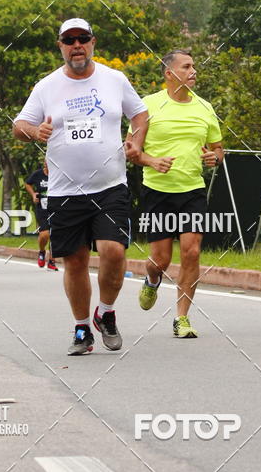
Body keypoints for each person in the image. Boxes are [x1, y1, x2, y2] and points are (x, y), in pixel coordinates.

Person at [13, 18, 148, 356]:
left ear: (92, 42)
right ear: (60, 46)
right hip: (64, 191)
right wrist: (35, 133)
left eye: (82, 39)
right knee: (74, 262)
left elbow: (141, 115)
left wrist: (135, 141)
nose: (76, 45)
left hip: (110, 185)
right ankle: (81, 328)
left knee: (114, 251)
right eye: (68, 40)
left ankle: (106, 311)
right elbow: (19, 125)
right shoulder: (47, 86)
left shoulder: (114, 80)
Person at [131, 50, 223, 338]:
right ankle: (151, 278)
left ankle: (182, 318)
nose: (193, 71)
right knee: (161, 260)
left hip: (192, 190)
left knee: (192, 252)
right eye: (186, 67)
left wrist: (215, 158)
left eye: (194, 66)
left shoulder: (205, 108)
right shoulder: (148, 106)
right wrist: (151, 161)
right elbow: (131, 150)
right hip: (157, 191)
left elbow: (218, 148)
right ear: (169, 74)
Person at [24, 162, 58, 270]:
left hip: (56, 208)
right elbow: (27, 183)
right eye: (46, 163)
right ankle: (42, 251)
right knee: (45, 234)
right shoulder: (38, 174)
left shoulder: (58, 175)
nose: (47, 165)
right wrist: (33, 194)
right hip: (42, 209)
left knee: (55, 234)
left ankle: (52, 261)